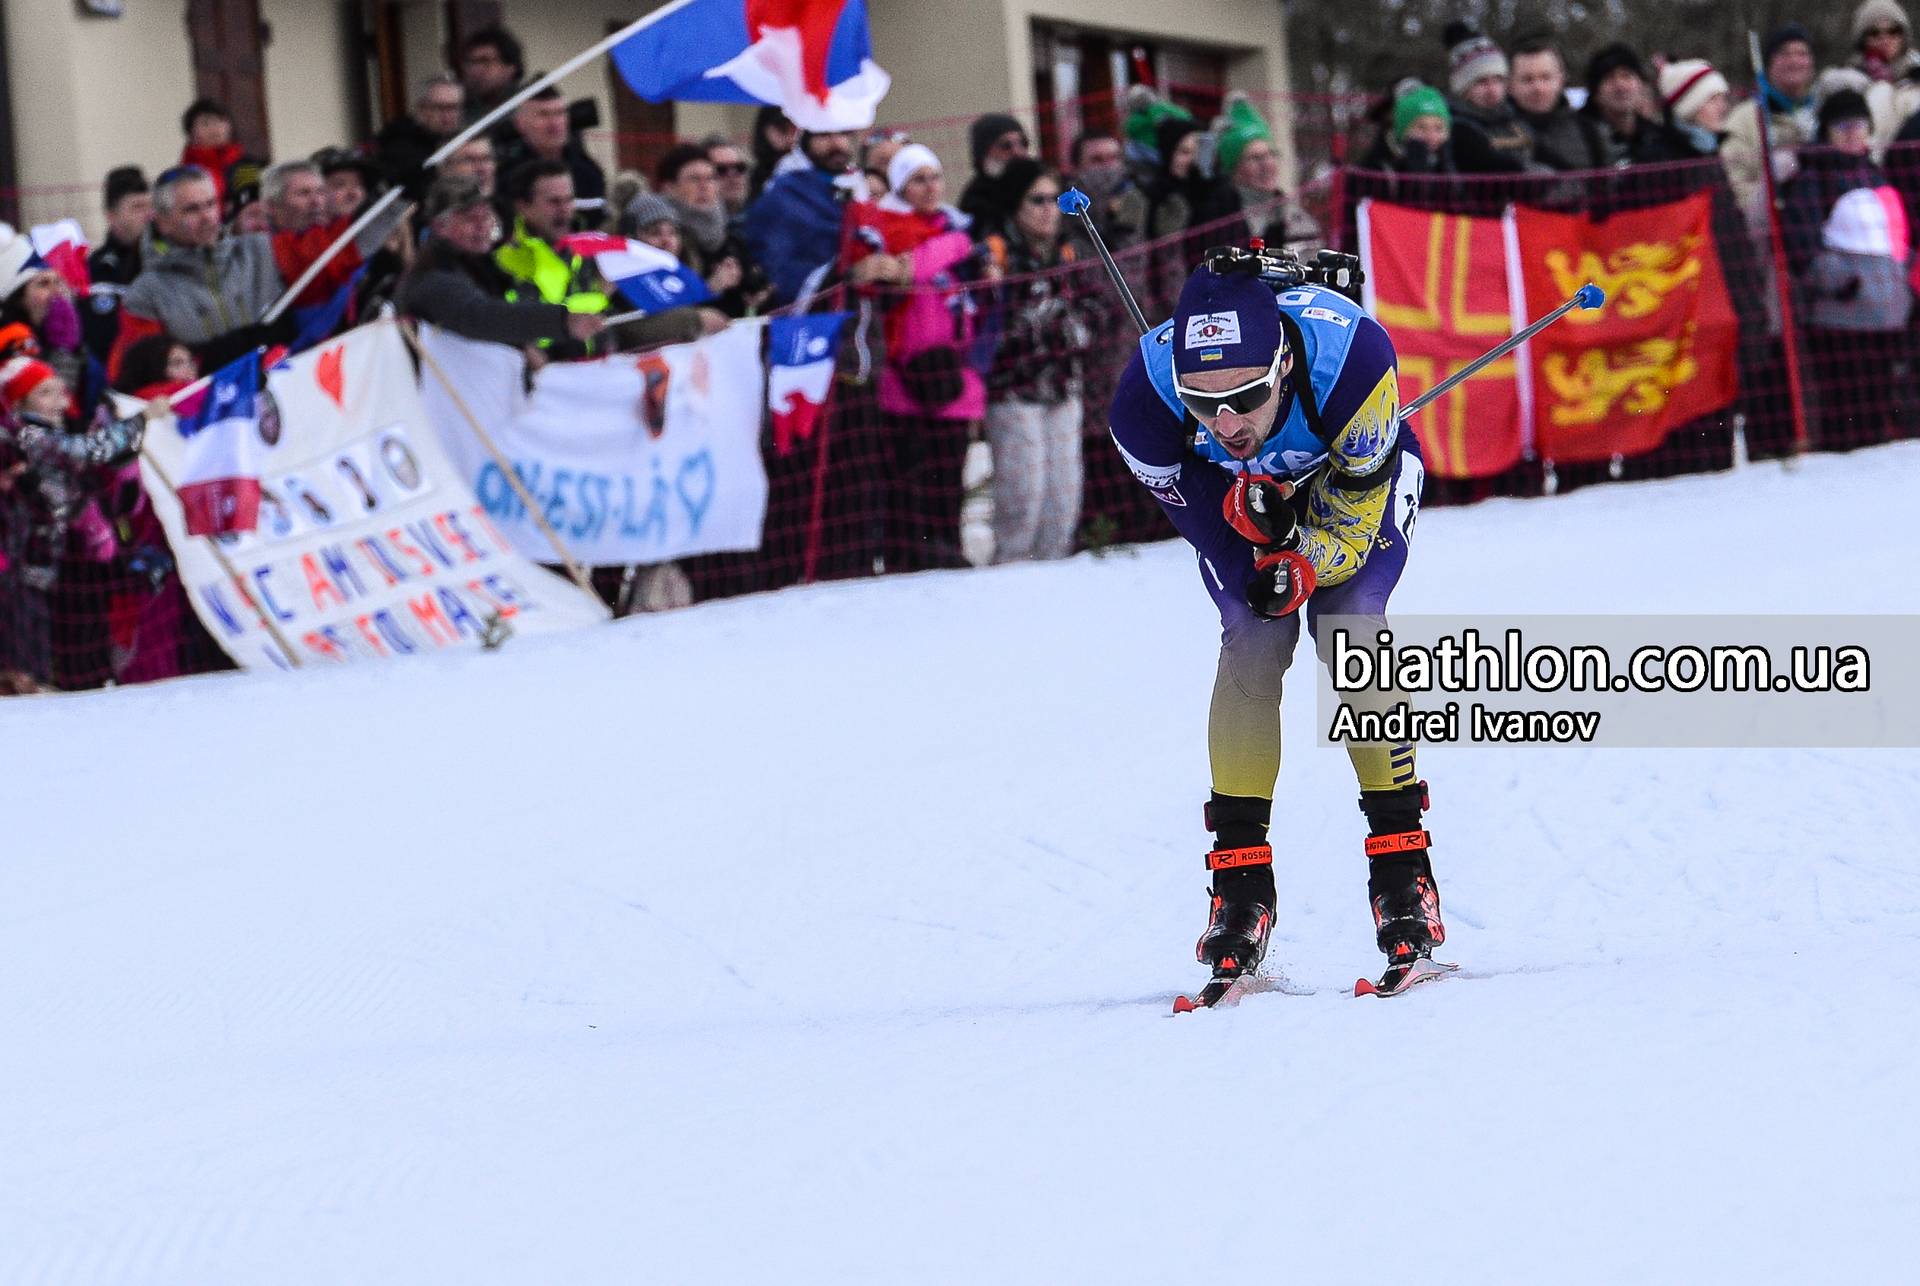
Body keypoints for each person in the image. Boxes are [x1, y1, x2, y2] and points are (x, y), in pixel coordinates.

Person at [1105, 251, 1445, 998]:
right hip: (1238, 506)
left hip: (1351, 487)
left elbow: (1351, 536)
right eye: (1202, 403)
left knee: (1350, 621)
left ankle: (1402, 868)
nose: (1226, 422)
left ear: (1284, 364)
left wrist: (1301, 553)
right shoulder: (1143, 403)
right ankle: (1240, 883)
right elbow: (1211, 530)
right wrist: (1263, 545)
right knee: (1255, 638)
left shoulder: (1352, 361)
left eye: (1249, 397)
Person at [842, 143, 988, 571]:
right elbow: (876, 276)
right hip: (902, 375)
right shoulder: (884, 230)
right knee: (908, 479)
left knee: (950, 476)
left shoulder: (958, 232)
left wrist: (918, 263)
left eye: (935, 177)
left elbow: (940, 262)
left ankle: (946, 549)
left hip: (954, 373)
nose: (929, 187)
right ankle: (910, 557)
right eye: (917, 180)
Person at [1781, 88, 1915, 449]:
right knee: (1845, 416)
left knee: (1878, 410)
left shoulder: (1878, 177)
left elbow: (1899, 239)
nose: (1853, 133)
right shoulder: (1813, 181)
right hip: (1842, 320)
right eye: (1843, 126)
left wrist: (1904, 281)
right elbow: (1803, 245)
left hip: (1887, 317)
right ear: (1826, 132)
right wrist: (1843, 282)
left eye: (1859, 125)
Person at [981, 160, 1099, 563]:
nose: (1049, 209)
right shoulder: (996, 254)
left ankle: (1056, 575)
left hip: (1065, 386)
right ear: (1016, 205)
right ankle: (1010, 573)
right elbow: (991, 325)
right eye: (1037, 200)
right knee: (1022, 495)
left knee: (1064, 497)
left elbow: (1097, 309)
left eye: (1054, 199)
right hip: (1014, 390)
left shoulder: (1069, 251)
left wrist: (1071, 325)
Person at [112, 165, 292, 380]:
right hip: (211, 406)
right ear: (163, 222)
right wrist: (215, 357)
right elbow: (149, 376)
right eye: (192, 209)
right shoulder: (145, 294)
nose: (207, 216)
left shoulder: (262, 250)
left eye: (210, 204)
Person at [399, 176, 604, 350]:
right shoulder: (432, 278)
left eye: (486, 217)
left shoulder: (486, 267)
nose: (482, 227)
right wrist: (561, 321)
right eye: (470, 219)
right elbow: (481, 317)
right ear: (440, 226)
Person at [740, 129, 858, 306]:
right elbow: (776, 263)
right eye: (824, 135)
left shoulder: (861, 186)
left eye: (843, 134)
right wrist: (842, 273)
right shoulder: (784, 194)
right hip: (809, 311)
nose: (836, 143)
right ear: (805, 141)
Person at [1723, 24, 1820, 224]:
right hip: (1771, 231)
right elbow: (1736, 183)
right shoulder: (1745, 118)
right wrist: (1766, 189)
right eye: (1784, 54)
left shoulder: (1822, 111)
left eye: (1802, 54)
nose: (1794, 61)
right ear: (1769, 64)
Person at [1578, 43, 1697, 166]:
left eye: (1627, 76)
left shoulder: (1663, 140)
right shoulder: (1580, 140)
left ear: (1641, 85)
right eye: (1609, 78)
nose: (1620, 86)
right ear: (1595, 93)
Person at [497, 83, 607, 212]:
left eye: (560, 113)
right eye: (544, 114)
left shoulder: (588, 171)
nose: (554, 123)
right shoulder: (507, 176)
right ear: (520, 123)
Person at [1442, 20, 1534, 172]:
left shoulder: (1517, 120)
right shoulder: (1457, 128)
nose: (1492, 90)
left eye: (1498, 80)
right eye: (1481, 82)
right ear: (1462, 88)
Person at [1508, 35, 1608, 171]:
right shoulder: (1490, 133)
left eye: (1546, 77)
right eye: (1527, 79)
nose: (1538, 88)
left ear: (1561, 79)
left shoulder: (1588, 131)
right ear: (1510, 84)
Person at [85, 166, 153, 363]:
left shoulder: (169, 260)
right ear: (111, 215)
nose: (148, 215)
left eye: (150, 206)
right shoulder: (98, 271)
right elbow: (102, 341)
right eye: (137, 207)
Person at [375, 74, 465, 201]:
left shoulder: (465, 141)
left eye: (454, 107)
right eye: (441, 108)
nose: (449, 115)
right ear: (421, 109)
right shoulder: (398, 146)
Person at [1851, 1, 1920, 153]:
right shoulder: (1850, 79)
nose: (1885, 38)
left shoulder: (1917, 70)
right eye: (1874, 33)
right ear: (1863, 39)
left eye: (1893, 31)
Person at [957, 112, 1031, 237]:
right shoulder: (975, 202)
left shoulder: (1040, 186)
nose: (1017, 152)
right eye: (1006, 146)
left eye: (1023, 143)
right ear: (984, 153)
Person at [1360, 83, 1458, 174]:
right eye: (1421, 128)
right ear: (1403, 131)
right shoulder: (1379, 166)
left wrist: (1447, 166)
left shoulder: (1452, 157)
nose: (1431, 136)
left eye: (1439, 128)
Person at [457, 25, 525, 134]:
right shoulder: (459, 109)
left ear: (510, 67)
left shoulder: (528, 106)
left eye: (485, 61)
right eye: (470, 62)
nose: (475, 69)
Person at [1659, 59, 1734, 157]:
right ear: (1689, 108)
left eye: (1723, 99)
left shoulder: (1726, 145)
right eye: (1712, 100)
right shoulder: (1666, 157)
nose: (1723, 107)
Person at [178, 98, 245, 203]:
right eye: (206, 123)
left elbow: (250, 203)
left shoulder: (245, 164)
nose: (215, 128)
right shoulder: (184, 173)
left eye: (221, 120)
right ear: (191, 132)